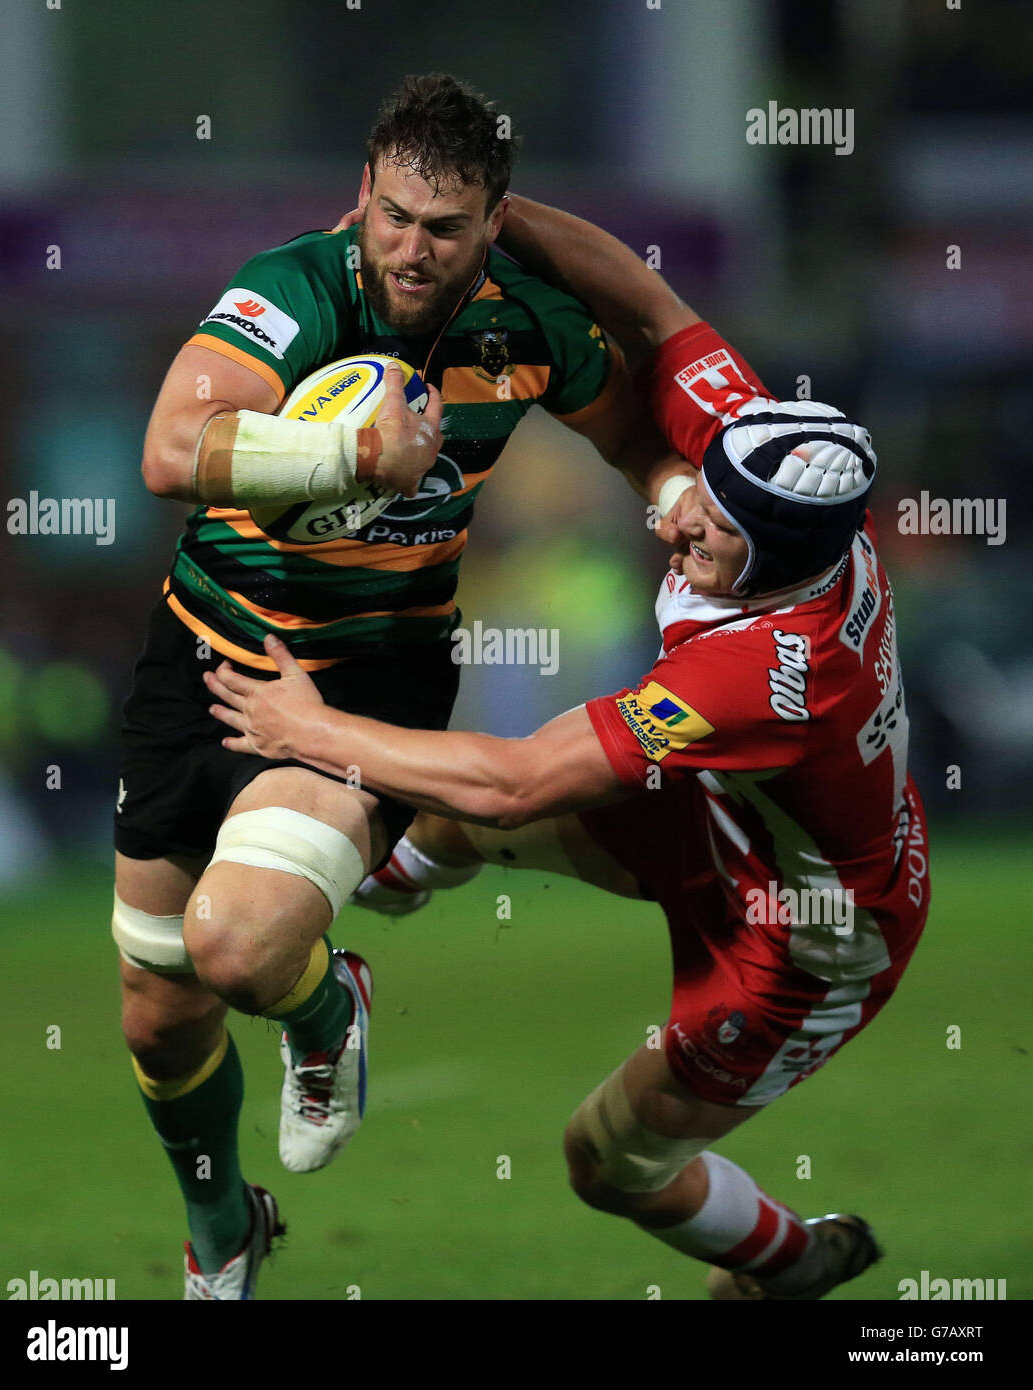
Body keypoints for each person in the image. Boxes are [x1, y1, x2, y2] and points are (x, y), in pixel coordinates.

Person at [205, 196, 931, 1300]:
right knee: (442, 813)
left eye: (712, 530)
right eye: (696, 492)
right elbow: (647, 299)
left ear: (777, 562)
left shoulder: (775, 671)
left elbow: (519, 784)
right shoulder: (766, 464)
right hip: (724, 819)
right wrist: (493, 221)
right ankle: (331, 930)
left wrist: (308, 730)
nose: (676, 518)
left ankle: (786, 1262)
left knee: (607, 1162)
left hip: (806, 937)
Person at [114, 82, 678, 1300]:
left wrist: (676, 494)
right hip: (203, 653)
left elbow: (636, 436)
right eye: (395, 214)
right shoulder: (294, 289)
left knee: (237, 951)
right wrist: (343, 455)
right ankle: (224, 1225)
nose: (411, 247)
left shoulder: (528, 322)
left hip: (371, 671)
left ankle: (327, 1010)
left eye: (445, 225)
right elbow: (170, 449)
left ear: (493, 225)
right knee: (157, 1013)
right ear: (363, 192)